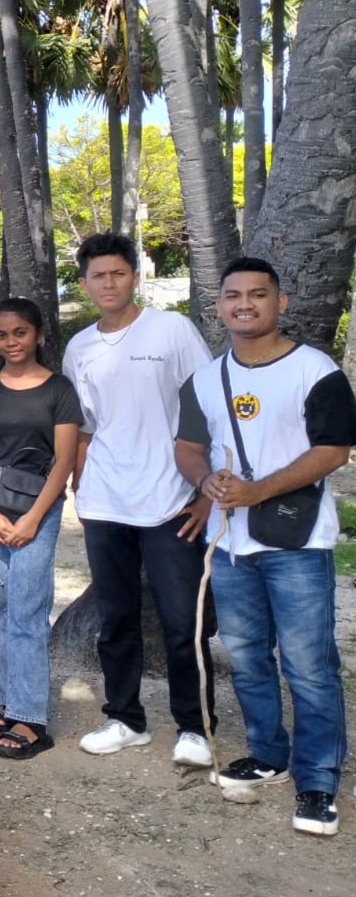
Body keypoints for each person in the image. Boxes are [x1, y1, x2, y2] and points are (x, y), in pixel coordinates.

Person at [175, 257, 354, 835]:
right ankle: (268, 755)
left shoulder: (315, 369)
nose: (244, 304)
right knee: (248, 658)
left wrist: (257, 490)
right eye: (233, 296)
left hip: (298, 541)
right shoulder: (205, 379)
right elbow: (187, 447)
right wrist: (205, 481)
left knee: (309, 663)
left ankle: (319, 779)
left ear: (280, 303)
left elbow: (333, 451)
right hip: (229, 545)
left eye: (257, 294)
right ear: (219, 306)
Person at [62, 232, 216, 765]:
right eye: (97, 276)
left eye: (117, 273)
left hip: (171, 499)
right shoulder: (79, 347)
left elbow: (207, 406)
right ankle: (125, 718)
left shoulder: (171, 330)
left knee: (181, 622)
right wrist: (81, 488)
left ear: (134, 277)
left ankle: (195, 728)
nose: (108, 283)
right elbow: (82, 428)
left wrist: (204, 492)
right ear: (84, 284)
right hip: (105, 503)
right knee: (117, 619)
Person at [0, 300, 83, 760]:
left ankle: (31, 718)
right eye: (2, 335)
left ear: (38, 335)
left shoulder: (59, 389)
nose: (12, 343)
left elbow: (64, 459)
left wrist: (32, 519)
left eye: (20, 333)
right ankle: (12, 698)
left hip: (39, 512)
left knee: (27, 612)